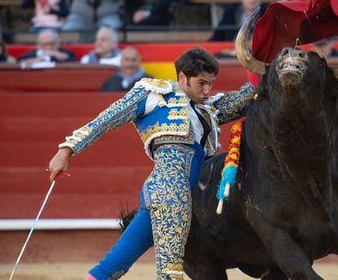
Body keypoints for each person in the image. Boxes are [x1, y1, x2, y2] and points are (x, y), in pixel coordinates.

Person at [48, 47, 255, 279]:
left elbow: (244, 99)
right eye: (201, 83)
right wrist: (67, 149)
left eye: (210, 83)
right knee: (170, 272)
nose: (207, 90)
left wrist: (264, 68)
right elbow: (106, 119)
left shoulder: (207, 108)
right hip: (171, 192)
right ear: (182, 78)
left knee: (111, 266)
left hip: (172, 195)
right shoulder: (155, 96)